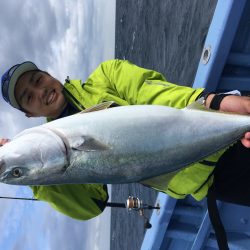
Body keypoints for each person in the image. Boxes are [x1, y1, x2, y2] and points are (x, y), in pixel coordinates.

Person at [1, 59, 250, 221]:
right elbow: (92, 205)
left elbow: (156, 94)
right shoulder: (54, 175)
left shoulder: (107, 76)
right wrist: (33, 178)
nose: (40, 91)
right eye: (29, 97)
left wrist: (214, 103)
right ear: (30, 114)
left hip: (220, 123)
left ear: (48, 73)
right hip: (214, 180)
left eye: (37, 80)